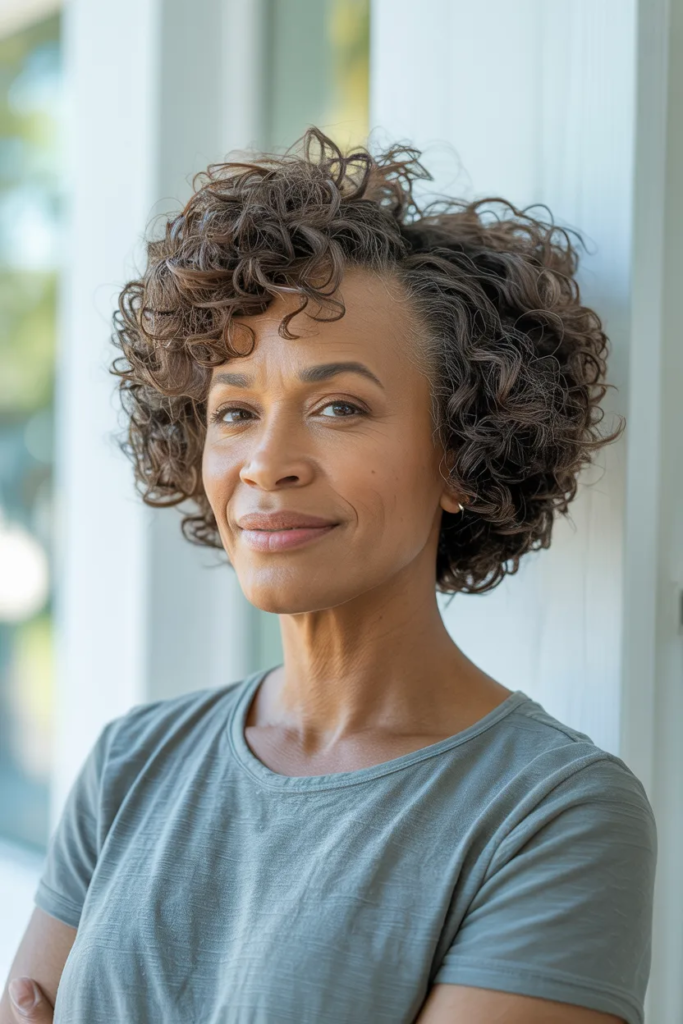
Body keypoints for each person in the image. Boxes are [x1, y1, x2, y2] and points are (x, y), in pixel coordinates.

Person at [0, 128, 656, 1024]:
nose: (266, 462)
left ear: (463, 451)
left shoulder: (552, 813)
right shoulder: (130, 765)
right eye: (234, 411)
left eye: (338, 407)